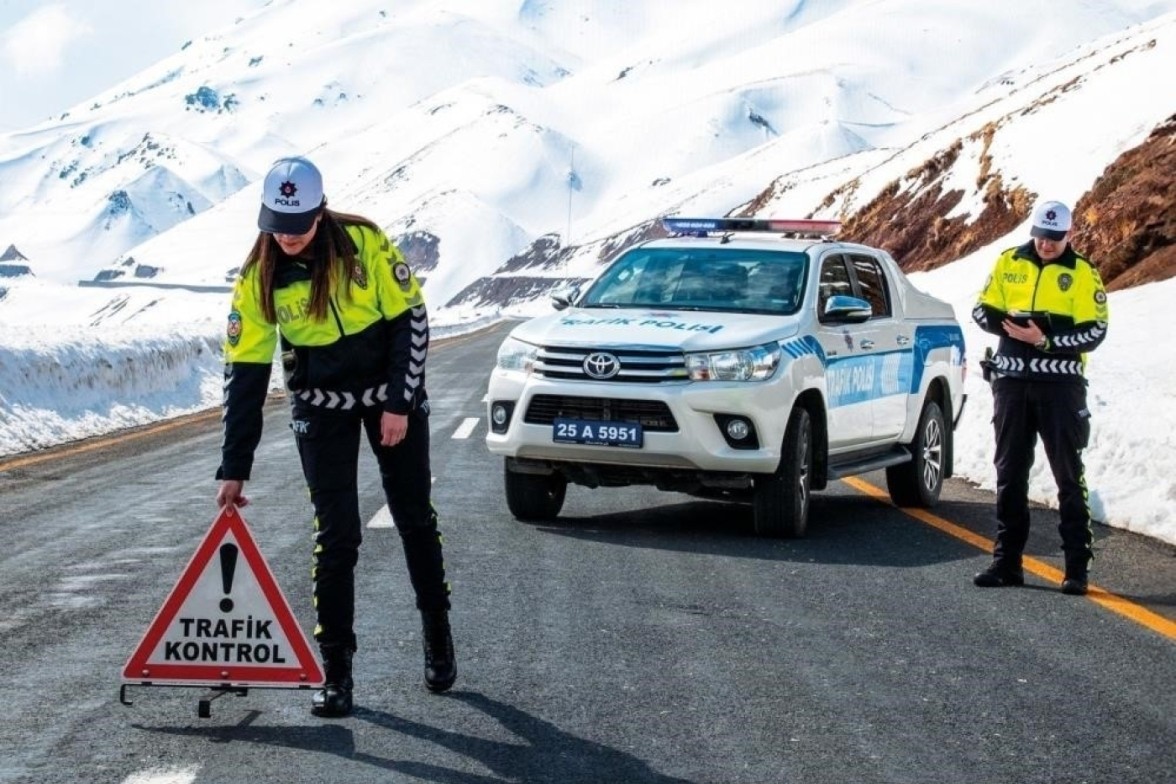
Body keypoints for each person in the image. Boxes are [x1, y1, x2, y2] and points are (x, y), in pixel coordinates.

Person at [215, 156, 455, 717]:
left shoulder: (363, 243)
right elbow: (244, 375)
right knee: (336, 533)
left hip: (389, 399)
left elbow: (411, 322)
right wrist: (234, 466)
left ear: (321, 213)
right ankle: (337, 672)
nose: (289, 236)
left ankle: (438, 636)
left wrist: (399, 402)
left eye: (298, 224)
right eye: (277, 224)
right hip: (320, 410)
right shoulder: (259, 279)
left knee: (413, 516)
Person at [971, 199, 1109, 596]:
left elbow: (1095, 331)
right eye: (1042, 236)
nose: (1047, 245)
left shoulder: (1083, 273)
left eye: (1056, 238)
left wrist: (1045, 340)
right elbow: (981, 310)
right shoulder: (1008, 261)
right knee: (1009, 473)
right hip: (1012, 383)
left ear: (1070, 235)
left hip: (1061, 389)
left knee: (1068, 475)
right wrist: (1009, 326)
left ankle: (1077, 569)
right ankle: (1006, 563)